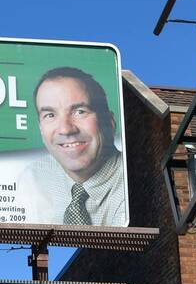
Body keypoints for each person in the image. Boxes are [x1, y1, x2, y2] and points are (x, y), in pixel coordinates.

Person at [20, 66, 127, 228]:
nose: (66, 129)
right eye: (50, 115)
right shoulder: (33, 178)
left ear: (110, 122)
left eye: (79, 111)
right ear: (41, 130)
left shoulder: (131, 186)